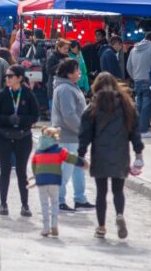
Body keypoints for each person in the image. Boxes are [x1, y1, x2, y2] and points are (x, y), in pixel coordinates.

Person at [78, 72, 144, 239]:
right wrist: (139, 153)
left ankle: (101, 227)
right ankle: (119, 214)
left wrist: (81, 154)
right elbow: (135, 132)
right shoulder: (127, 105)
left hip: (100, 153)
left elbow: (85, 133)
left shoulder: (94, 106)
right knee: (118, 190)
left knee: (101, 192)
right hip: (121, 153)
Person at [0, 64, 39, 217]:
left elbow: (35, 115)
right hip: (3, 136)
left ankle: (25, 205)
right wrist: (8, 119)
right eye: (6, 76)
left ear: (19, 78)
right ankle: (3, 204)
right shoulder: (2, 94)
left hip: (23, 137)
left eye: (10, 76)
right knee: (4, 170)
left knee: (21, 171)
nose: (7, 79)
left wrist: (21, 120)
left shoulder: (28, 94)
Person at [50, 58, 94, 212]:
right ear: (69, 74)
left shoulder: (70, 87)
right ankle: (59, 201)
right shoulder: (65, 89)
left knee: (77, 169)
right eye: (77, 70)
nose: (79, 72)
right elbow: (69, 115)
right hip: (67, 136)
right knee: (65, 170)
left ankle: (80, 199)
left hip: (73, 136)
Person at [32, 126, 87, 237]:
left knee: (44, 204)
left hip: (41, 181)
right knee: (55, 203)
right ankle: (54, 225)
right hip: (54, 180)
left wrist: (36, 176)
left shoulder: (38, 151)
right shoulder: (59, 150)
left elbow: (34, 165)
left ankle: (45, 228)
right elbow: (71, 158)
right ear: (56, 138)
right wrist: (82, 163)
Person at [127, 32, 151, 135]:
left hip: (137, 81)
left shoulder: (134, 49)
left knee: (139, 105)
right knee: (147, 105)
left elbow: (128, 66)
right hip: (148, 81)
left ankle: (137, 128)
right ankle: (143, 130)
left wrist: (135, 77)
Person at [45, 38, 70, 111]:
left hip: (65, 88)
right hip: (54, 87)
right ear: (59, 47)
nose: (66, 50)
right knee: (54, 112)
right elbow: (49, 71)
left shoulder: (67, 57)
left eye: (67, 48)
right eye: (65, 48)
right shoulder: (52, 57)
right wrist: (62, 64)